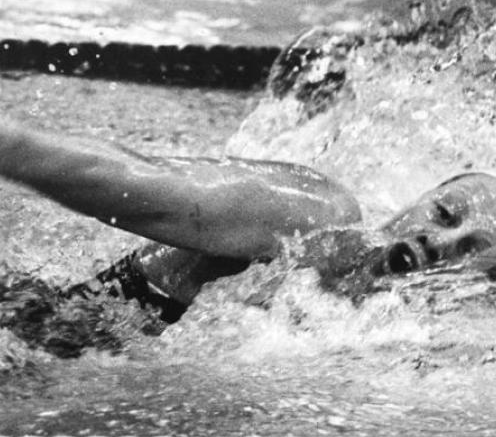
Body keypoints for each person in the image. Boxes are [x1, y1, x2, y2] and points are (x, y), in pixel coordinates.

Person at [1, 124, 496, 316]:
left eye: (469, 248)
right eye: (444, 213)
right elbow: (139, 185)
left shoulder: (415, 335)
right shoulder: (316, 218)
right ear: (421, 198)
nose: (439, 240)